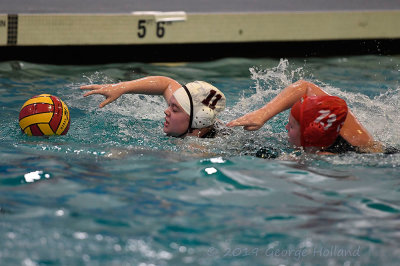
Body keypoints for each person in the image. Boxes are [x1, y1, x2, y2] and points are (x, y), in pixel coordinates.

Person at [227, 80, 384, 154]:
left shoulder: (324, 159)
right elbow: (305, 87)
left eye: (292, 126)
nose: (286, 127)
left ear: (308, 138)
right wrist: (263, 114)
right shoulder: (339, 121)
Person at [81, 76, 226, 138]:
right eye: (170, 105)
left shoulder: (197, 151)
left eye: (174, 109)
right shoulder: (192, 111)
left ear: (196, 124)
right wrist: (121, 87)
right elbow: (167, 83)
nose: (166, 111)